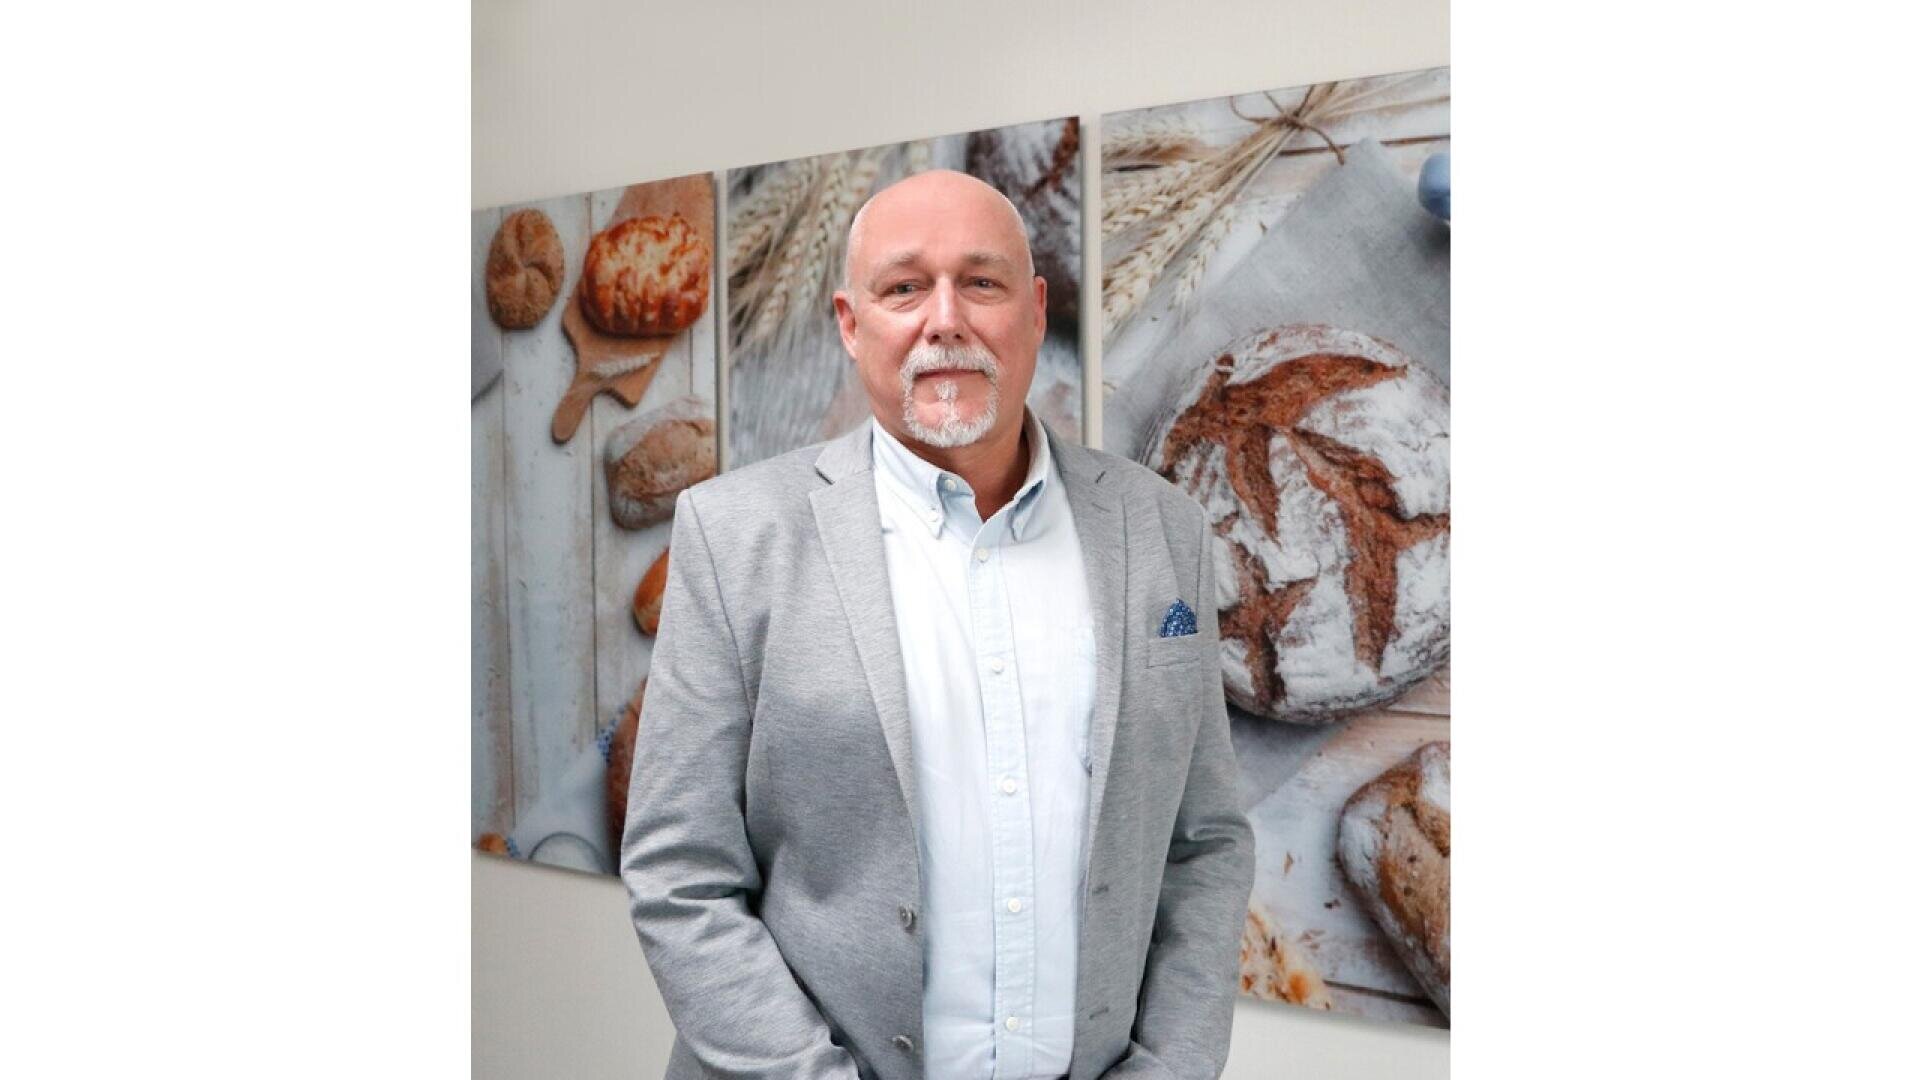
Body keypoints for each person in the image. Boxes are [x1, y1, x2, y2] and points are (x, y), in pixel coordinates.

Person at [620, 168, 1254, 1080]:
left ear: (1036, 312)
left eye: (982, 282)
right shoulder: (734, 535)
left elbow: (1207, 844)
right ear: (851, 324)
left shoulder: (1163, 529)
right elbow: (680, 873)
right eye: (905, 287)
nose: (945, 318)